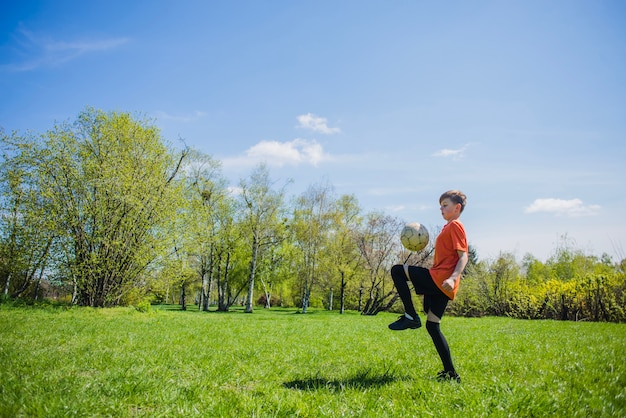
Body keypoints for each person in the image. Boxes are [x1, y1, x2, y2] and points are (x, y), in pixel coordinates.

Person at [388, 190, 468, 383]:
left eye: (445, 205)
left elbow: (463, 255)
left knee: (398, 270)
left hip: (440, 280)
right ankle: (451, 373)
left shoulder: (455, 225)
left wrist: (453, 278)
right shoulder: (446, 228)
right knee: (433, 326)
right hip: (442, 285)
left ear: (457, 208)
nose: (441, 208)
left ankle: (410, 316)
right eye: (440, 205)